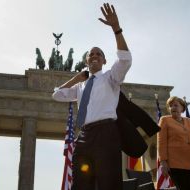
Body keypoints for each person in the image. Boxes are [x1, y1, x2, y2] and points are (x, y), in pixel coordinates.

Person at [52, 3, 131, 190]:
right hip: (84, 135)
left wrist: (116, 29)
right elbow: (57, 95)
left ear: (104, 60)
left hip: (106, 133)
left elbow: (125, 60)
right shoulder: (80, 86)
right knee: (81, 183)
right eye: (91, 54)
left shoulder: (111, 78)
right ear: (86, 60)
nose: (94, 56)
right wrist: (76, 78)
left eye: (98, 54)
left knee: (108, 183)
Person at [157, 96, 190, 190]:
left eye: (175, 105)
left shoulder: (189, 121)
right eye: (170, 106)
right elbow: (161, 143)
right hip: (176, 164)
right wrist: (163, 162)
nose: (173, 108)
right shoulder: (164, 120)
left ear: (182, 108)